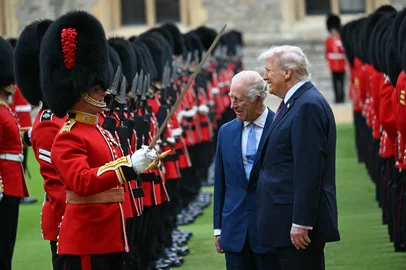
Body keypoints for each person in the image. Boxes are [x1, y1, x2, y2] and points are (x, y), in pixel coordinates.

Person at [39, 11, 158, 270]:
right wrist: (129, 166)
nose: (104, 93)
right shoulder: (68, 136)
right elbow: (82, 181)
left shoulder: (99, 131)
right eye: (96, 89)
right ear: (78, 91)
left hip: (110, 236)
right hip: (87, 239)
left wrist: (138, 161)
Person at [256, 45, 340, 270]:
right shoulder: (296, 103)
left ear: (287, 73)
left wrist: (301, 222)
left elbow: (308, 169)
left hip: (296, 227)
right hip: (284, 220)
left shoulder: (307, 106)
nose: (265, 77)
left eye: (268, 70)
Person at [213, 70, 280, 270]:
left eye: (239, 99)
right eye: (231, 98)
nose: (232, 105)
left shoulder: (280, 127)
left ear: (258, 99)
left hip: (271, 231)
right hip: (234, 233)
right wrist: (218, 229)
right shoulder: (225, 132)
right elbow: (221, 182)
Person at [0, 36, 29, 270]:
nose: (13, 83)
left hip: (13, 180)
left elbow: (15, 139)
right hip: (4, 183)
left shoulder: (5, 109)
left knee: (8, 241)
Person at [325, 14, 346, 104]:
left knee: (341, 82)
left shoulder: (341, 40)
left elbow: (343, 51)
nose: (333, 32)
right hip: (333, 65)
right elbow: (327, 53)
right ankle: (337, 98)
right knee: (335, 83)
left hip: (341, 64)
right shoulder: (328, 40)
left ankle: (341, 97)